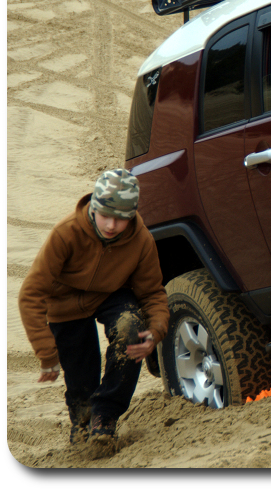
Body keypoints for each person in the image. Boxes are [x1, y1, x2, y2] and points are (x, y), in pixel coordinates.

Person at [18, 169, 168, 447]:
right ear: (93, 208)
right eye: (105, 215)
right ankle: (83, 422)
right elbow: (30, 294)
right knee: (80, 378)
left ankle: (107, 415)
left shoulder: (141, 240)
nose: (111, 225)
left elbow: (153, 293)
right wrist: (47, 353)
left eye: (121, 218)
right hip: (64, 304)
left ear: (132, 215)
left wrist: (156, 330)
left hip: (110, 294)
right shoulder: (66, 234)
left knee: (131, 327)